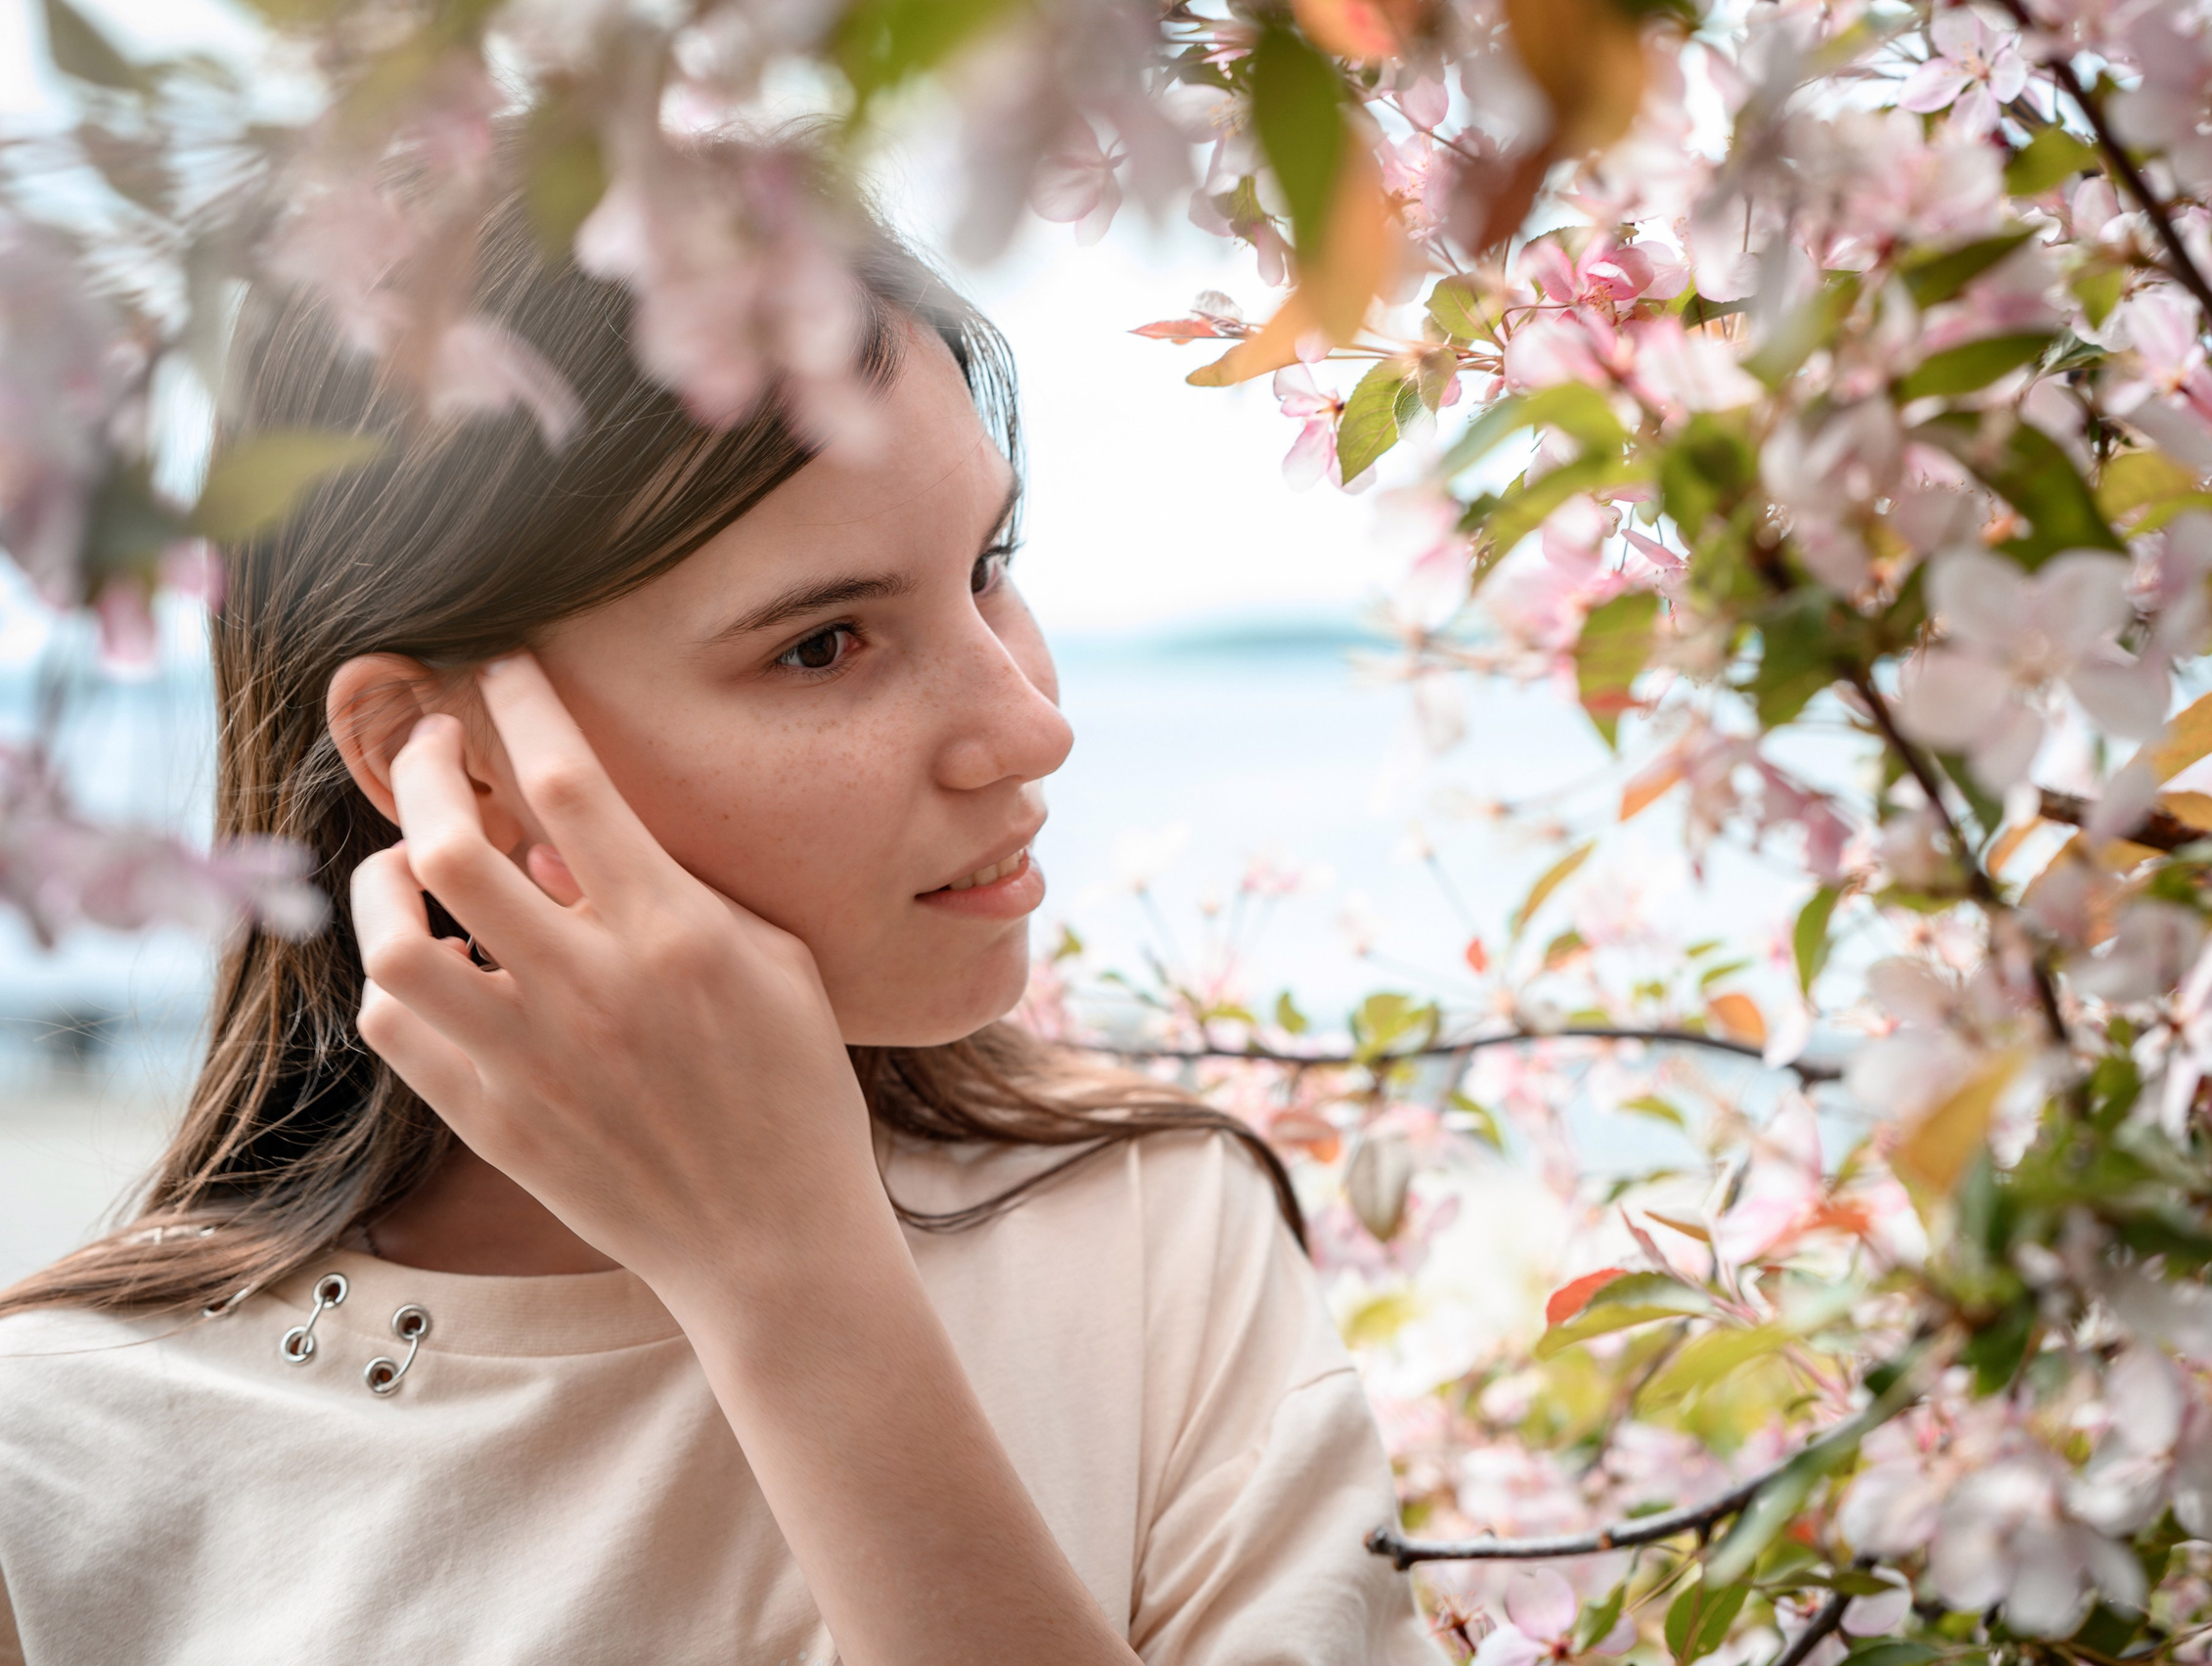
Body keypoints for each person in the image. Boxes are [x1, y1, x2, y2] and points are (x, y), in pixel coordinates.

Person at [0, 158, 1447, 1665]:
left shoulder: (1151, 1241)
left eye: (989, 569)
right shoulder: (62, 1457)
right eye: (825, 646)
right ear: (449, 761)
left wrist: (799, 1286)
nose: (1028, 730)